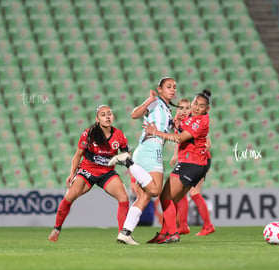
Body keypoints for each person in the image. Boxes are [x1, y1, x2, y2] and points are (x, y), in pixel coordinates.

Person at [109, 77, 177, 245]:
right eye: (168, 86)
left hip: (145, 149)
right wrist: (150, 100)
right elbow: (134, 115)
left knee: (144, 197)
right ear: (159, 89)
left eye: (174, 87)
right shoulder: (156, 103)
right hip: (151, 149)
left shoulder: (167, 110)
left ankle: (125, 233)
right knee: (154, 190)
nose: (173, 89)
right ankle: (127, 162)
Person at [48, 105, 130, 242]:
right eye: (103, 115)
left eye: (109, 113)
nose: (107, 117)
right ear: (97, 119)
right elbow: (78, 155)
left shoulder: (119, 135)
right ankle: (56, 228)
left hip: (107, 173)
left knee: (124, 198)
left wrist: (133, 179)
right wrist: (72, 173)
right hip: (87, 170)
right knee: (70, 195)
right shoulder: (89, 133)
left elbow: (128, 156)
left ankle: (123, 235)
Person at [143, 89, 212, 244]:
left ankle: (173, 233)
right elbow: (181, 126)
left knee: (165, 197)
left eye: (200, 106)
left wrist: (156, 132)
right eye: (195, 103)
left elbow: (180, 138)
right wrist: (176, 122)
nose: (195, 107)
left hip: (191, 164)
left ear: (206, 109)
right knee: (173, 200)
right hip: (194, 164)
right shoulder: (191, 117)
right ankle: (164, 233)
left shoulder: (200, 122)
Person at [171, 98, 215, 236]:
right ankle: (183, 226)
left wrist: (196, 154)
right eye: (180, 108)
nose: (183, 111)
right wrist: (176, 155)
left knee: (194, 193)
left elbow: (208, 144)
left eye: (186, 108)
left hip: (200, 160)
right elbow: (181, 140)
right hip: (188, 160)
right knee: (181, 193)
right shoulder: (179, 122)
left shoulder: (195, 121)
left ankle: (208, 226)